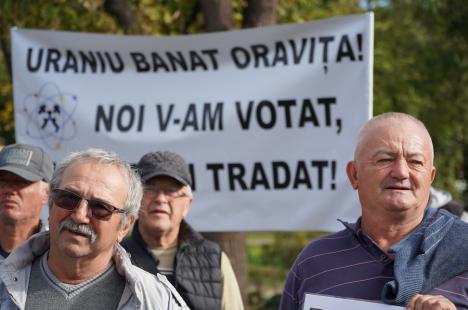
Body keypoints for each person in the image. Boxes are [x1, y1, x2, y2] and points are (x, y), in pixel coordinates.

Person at [280, 112, 468, 310]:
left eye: (415, 162)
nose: (401, 172)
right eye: (385, 159)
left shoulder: (463, 251)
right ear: (354, 175)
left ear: (430, 177)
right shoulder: (314, 262)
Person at [0, 148, 189, 309]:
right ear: (50, 205)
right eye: (69, 198)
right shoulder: (4, 286)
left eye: (100, 207)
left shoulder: (156, 301)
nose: (80, 215)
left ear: (125, 226)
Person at [122, 151, 244, 310]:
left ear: (187, 204)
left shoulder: (214, 259)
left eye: (171, 190)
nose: (160, 199)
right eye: (150, 188)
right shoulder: (116, 258)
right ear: (136, 198)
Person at [0, 143, 53, 262]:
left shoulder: (57, 255)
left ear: (46, 193)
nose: (8, 189)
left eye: (21, 181)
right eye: (2, 181)